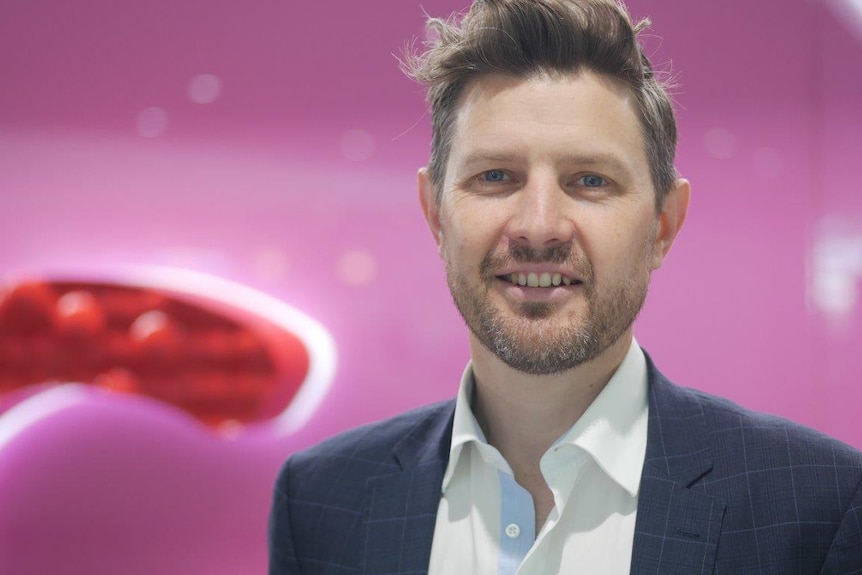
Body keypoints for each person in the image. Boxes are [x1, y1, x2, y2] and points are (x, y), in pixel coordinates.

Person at [268, 0, 862, 572]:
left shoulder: (818, 508)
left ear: (663, 225)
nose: (539, 227)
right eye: (495, 176)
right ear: (436, 216)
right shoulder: (322, 501)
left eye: (590, 180)